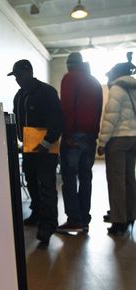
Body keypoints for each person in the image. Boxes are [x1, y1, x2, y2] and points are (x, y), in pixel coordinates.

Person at [8, 59, 62, 244]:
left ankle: (48, 224)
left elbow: (57, 119)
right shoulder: (19, 95)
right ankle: (37, 212)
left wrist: (46, 142)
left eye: (19, 75)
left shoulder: (47, 92)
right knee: (31, 181)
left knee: (47, 185)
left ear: (29, 72)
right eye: (15, 77)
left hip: (47, 147)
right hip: (29, 146)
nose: (17, 80)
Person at [56, 52, 103, 233]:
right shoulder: (95, 82)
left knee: (69, 178)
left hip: (74, 136)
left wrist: (66, 134)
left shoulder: (69, 78)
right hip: (90, 137)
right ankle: (84, 218)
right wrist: (95, 134)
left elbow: (67, 108)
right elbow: (98, 110)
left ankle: (74, 220)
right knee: (86, 178)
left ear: (69, 64)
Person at [97, 62, 136, 235]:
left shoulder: (116, 90)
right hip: (133, 138)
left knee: (116, 182)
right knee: (129, 179)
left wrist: (102, 142)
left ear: (116, 74)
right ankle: (130, 215)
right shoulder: (133, 89)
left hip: (118, 139)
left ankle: (119, 221)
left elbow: (110, 118)